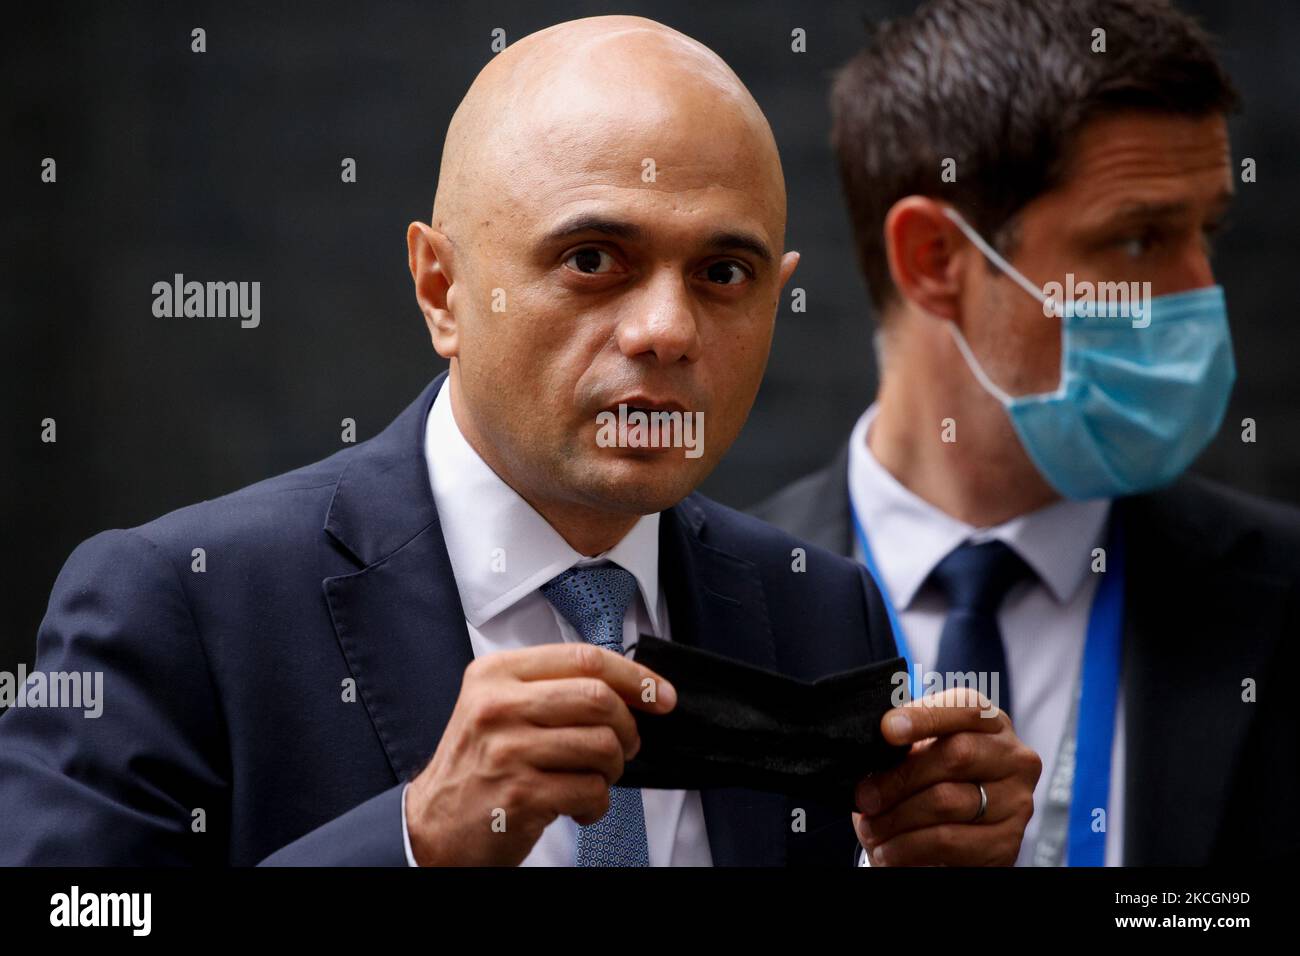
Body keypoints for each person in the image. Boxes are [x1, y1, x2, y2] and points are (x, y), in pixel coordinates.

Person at [0, 15, 1039, 867]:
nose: (667, 330)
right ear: (440, 288)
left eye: (725, 273)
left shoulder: (817, 602)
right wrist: (412, 842)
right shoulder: (177, 602)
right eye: (593, 258)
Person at [753, 0, 1300, 865]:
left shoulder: (1279, 592)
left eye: (1208, 232)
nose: (1201, 293)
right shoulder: (716, 612)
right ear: (935, 259)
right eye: (1137, 239)